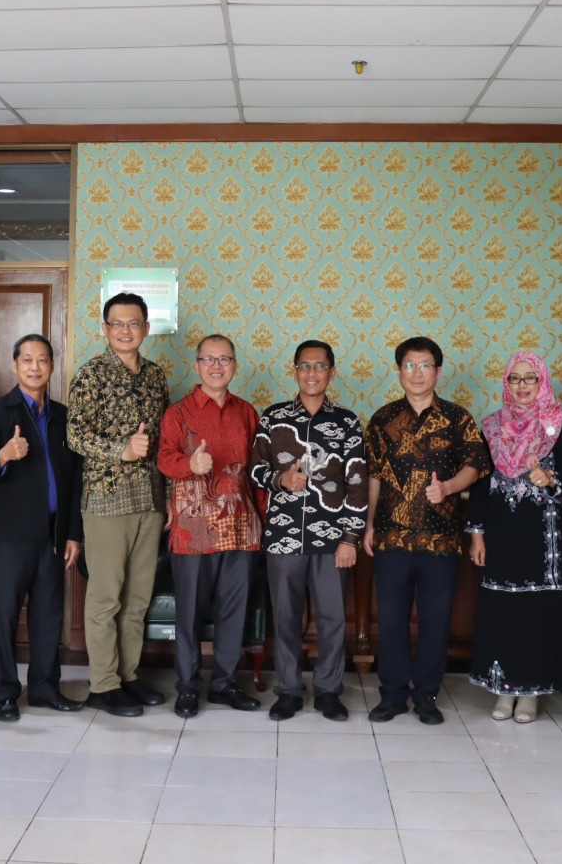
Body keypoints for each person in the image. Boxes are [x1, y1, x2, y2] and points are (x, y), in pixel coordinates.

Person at [363, 336, 490, 725]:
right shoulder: (383, 418)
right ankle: (392, 695)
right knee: (392, 621)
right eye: (409, 365)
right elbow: (373, 475)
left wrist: (448, 488)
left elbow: (476, 465)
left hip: (441, 539)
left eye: (425, 366)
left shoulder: (457, 417)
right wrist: (368, 524)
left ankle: (427, 695)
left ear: (437, 371)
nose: (417, 373)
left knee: (436, 622)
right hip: (391, 537)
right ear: (399, 370)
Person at [66, 292, 170, 718]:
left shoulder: (155, 376)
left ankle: (127, 676)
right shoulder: (90, 375)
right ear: (105, 329)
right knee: (106, 598)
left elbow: (164, 441)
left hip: (150, 498)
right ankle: (103, 684)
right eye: (117, 323)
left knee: (138, 598)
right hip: (107, 498)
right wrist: (120, 451)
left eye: (134, 323)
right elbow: (75, 435)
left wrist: (169, 497)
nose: (126, 330)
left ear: (146, 328)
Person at [251, 339, 366, 721]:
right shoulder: (274, 417)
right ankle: (288, 690)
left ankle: (329, 691)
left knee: (332, 618)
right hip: (284, 538)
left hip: (332, 539)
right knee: (285, 617)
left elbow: (357, 482)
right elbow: (255, 470)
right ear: (295, 370)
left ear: (332, 372)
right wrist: (281, 479)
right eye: (305, 365)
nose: (312, 373)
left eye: (320, 366)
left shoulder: (346, 422)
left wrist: (350, 539)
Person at [0, 334, 84, 722]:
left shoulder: (63, 416)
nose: (35, 367)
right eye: (27, 360)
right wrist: (5, 455)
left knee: (48, 615)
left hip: (52, 533)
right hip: (9, 534)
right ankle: (6, 693)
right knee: (4, 615)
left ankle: (44, 689)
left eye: (42, 360)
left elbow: (74, 480)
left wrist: (73, 534)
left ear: (52, 366)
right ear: (14, 365)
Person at [468, 351, 562, 723]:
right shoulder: (491, 426)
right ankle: (503, 690)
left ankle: (531, 692)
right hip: (502, 531)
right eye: (514, 378)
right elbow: (481, 483)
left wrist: (549, 478)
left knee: (536, 609)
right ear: (506, 382)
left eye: (530, 378)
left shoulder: (559, 422)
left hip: (544, 534)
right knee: (502, 608)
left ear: (542, 381)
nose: (522, 386)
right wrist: (477, 533)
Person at [158, 334, 265, 719]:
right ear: (197, 365)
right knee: (189, 612)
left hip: (240, 526)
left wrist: (264, 520)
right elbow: (164, 459)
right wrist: (190, 465)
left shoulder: (247, 413)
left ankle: (225, 684)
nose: (216, 366)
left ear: (235, 365)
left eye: (224, 359)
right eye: (209, 359)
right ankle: (188, 686)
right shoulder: (178, 413)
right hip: (193, 528)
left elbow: (258, 471)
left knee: (234, 611)